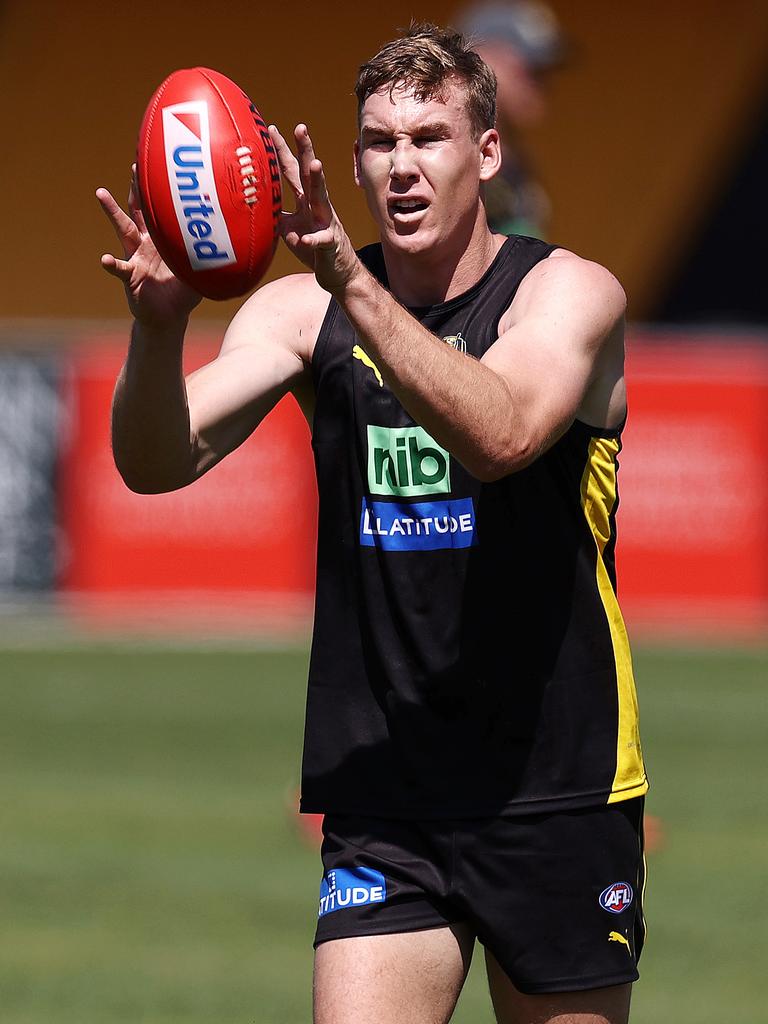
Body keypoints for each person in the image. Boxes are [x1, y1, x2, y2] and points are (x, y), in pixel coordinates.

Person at [97, 22, 647, 1024]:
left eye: (430, 138)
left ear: (485, 154)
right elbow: (154, 460)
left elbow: (504, 432)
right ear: (348, 160)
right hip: (387, 788)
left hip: (558, 783)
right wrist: (160, 324)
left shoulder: (570, 293)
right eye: (379, 142)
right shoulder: (303, 315)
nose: (401, 166)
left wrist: (352, 283)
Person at [456, 0, 564, 236]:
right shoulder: (454, 157)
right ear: (482, 57)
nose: (544, 84)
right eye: (533, 69)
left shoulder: (511, 159)